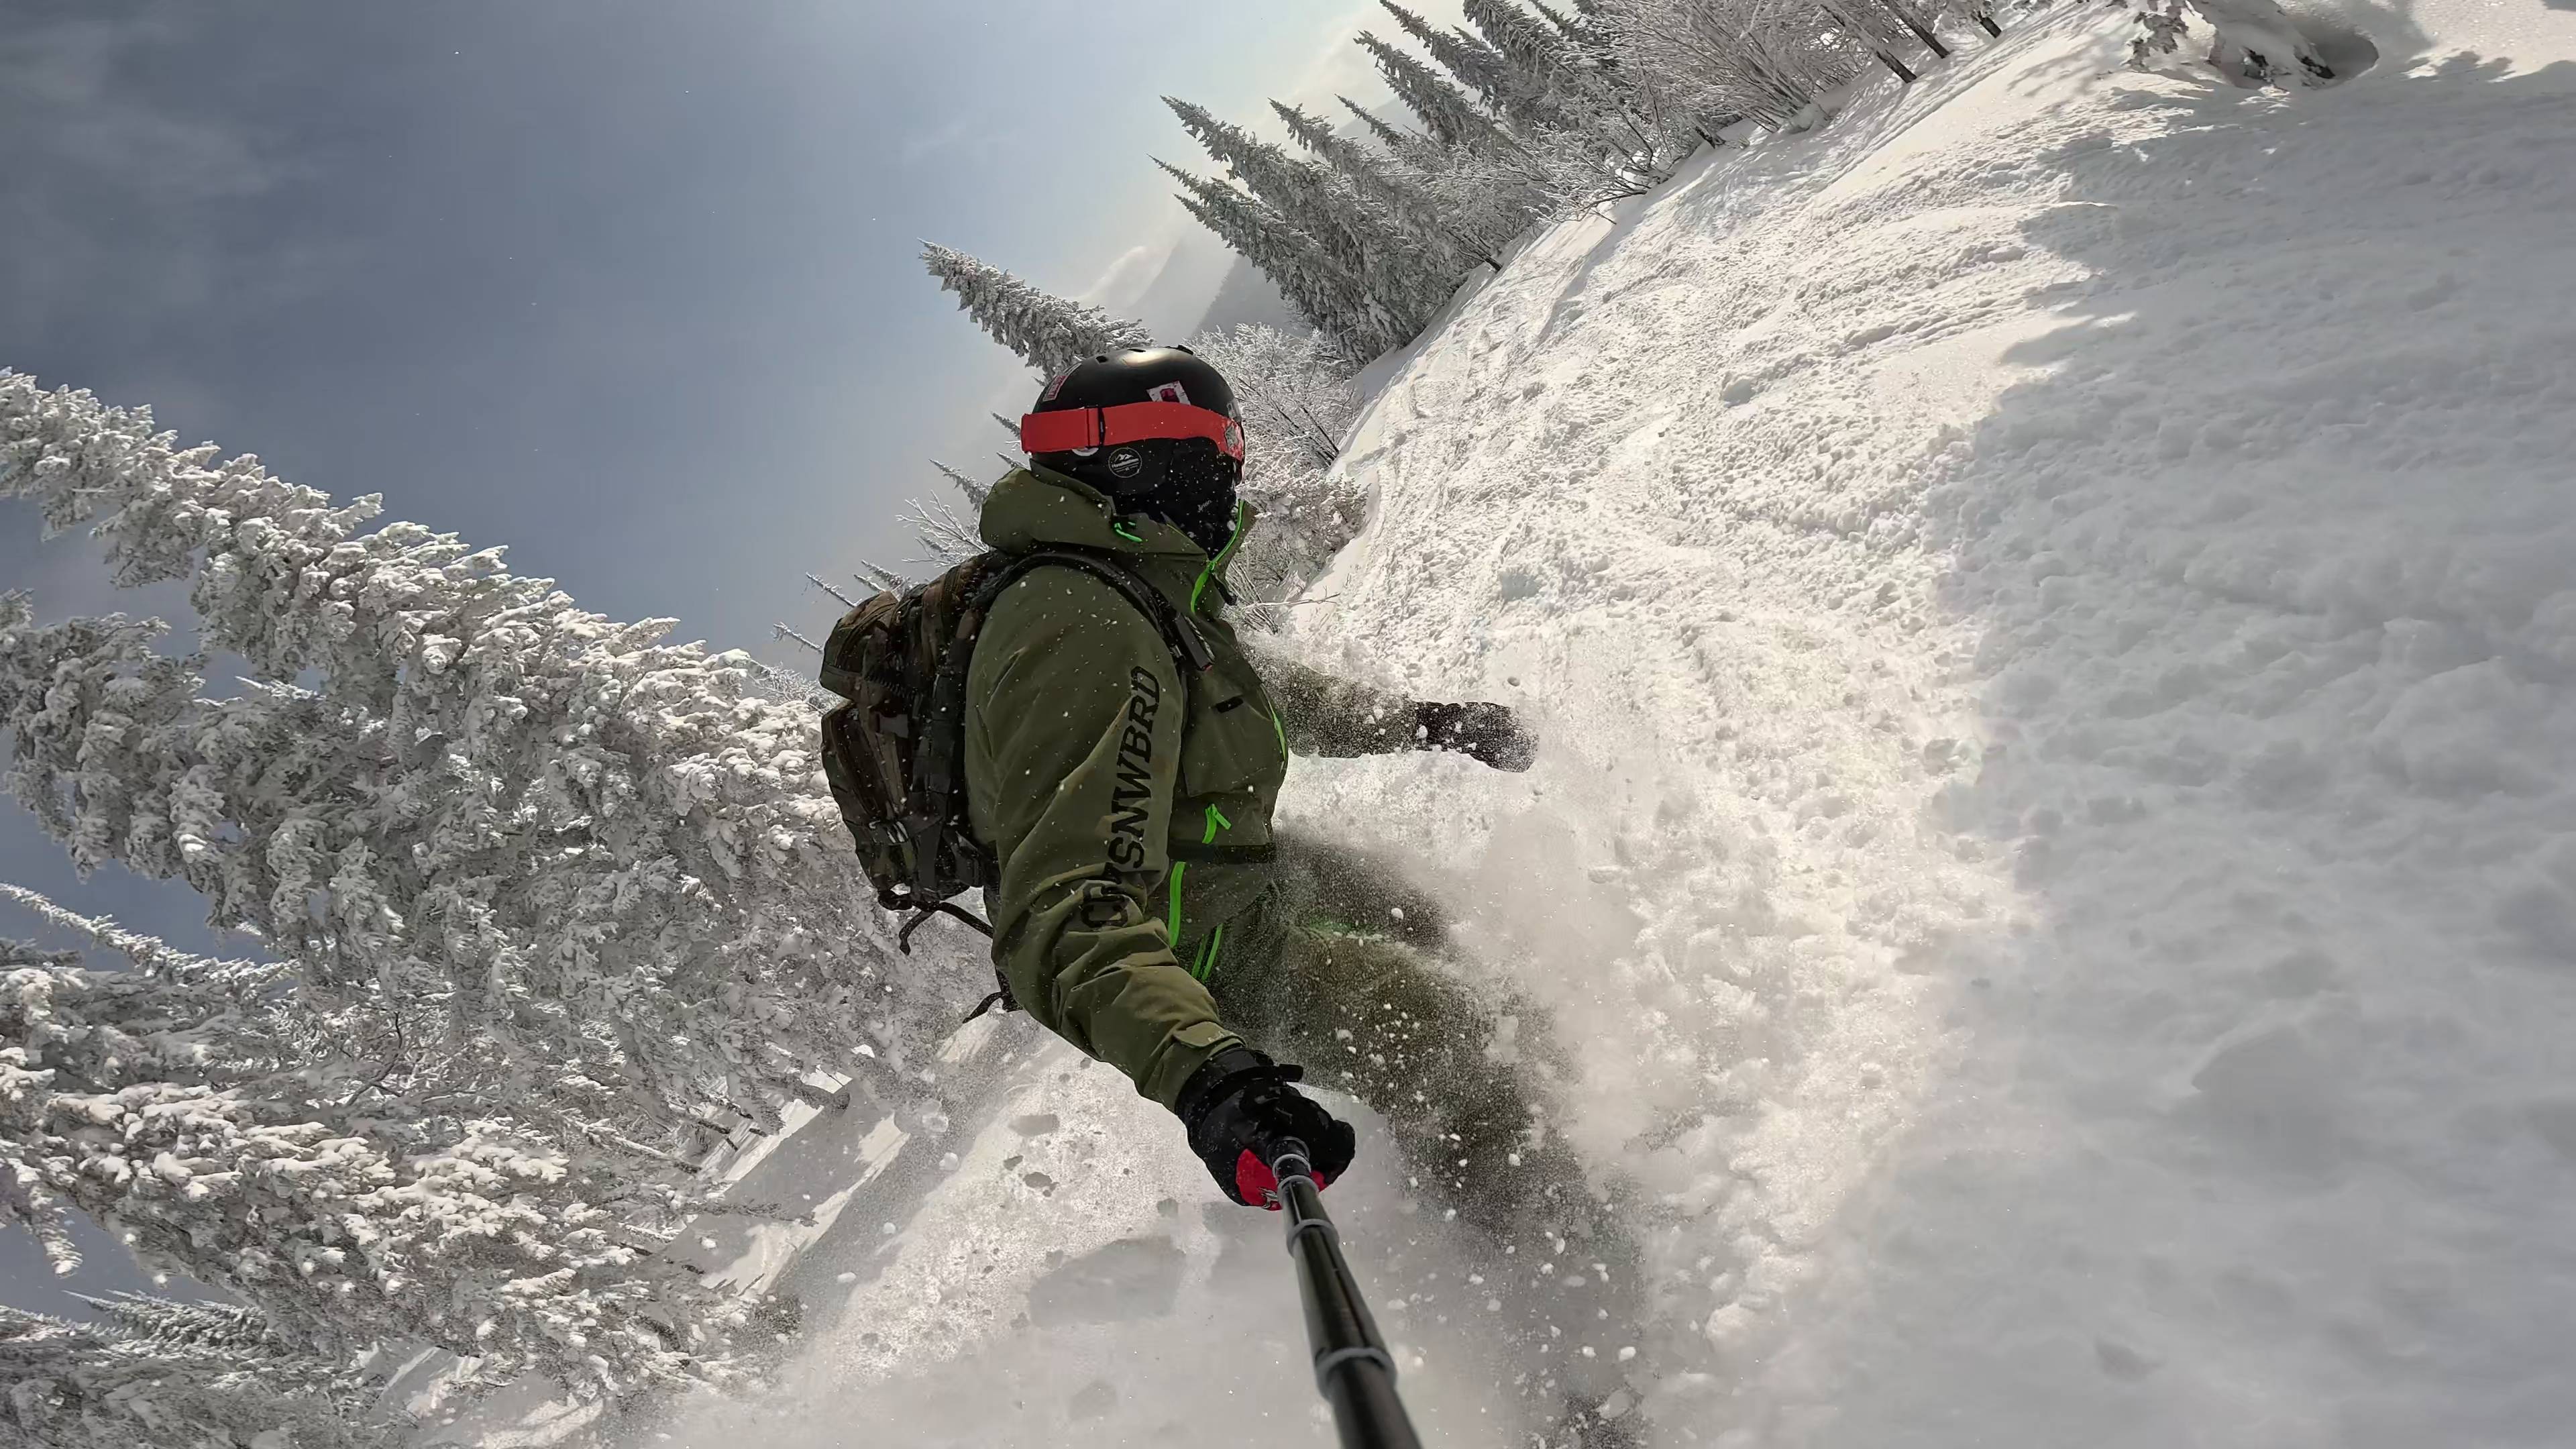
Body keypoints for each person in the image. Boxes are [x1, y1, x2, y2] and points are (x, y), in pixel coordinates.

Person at [965, 347, 1639, 1441]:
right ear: (1140, 456)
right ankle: (1577, 1344)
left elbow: (1259, 692)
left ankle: (1531, 1155)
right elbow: (1062, 909)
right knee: (1445, 1040)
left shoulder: (1136, 578)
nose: (1233, 473)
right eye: (1215, 450)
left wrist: (1419, 721)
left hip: (1256, 872)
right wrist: (1205, 1073)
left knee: (1431, 923)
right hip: (1207, 947)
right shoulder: (1073, 623)